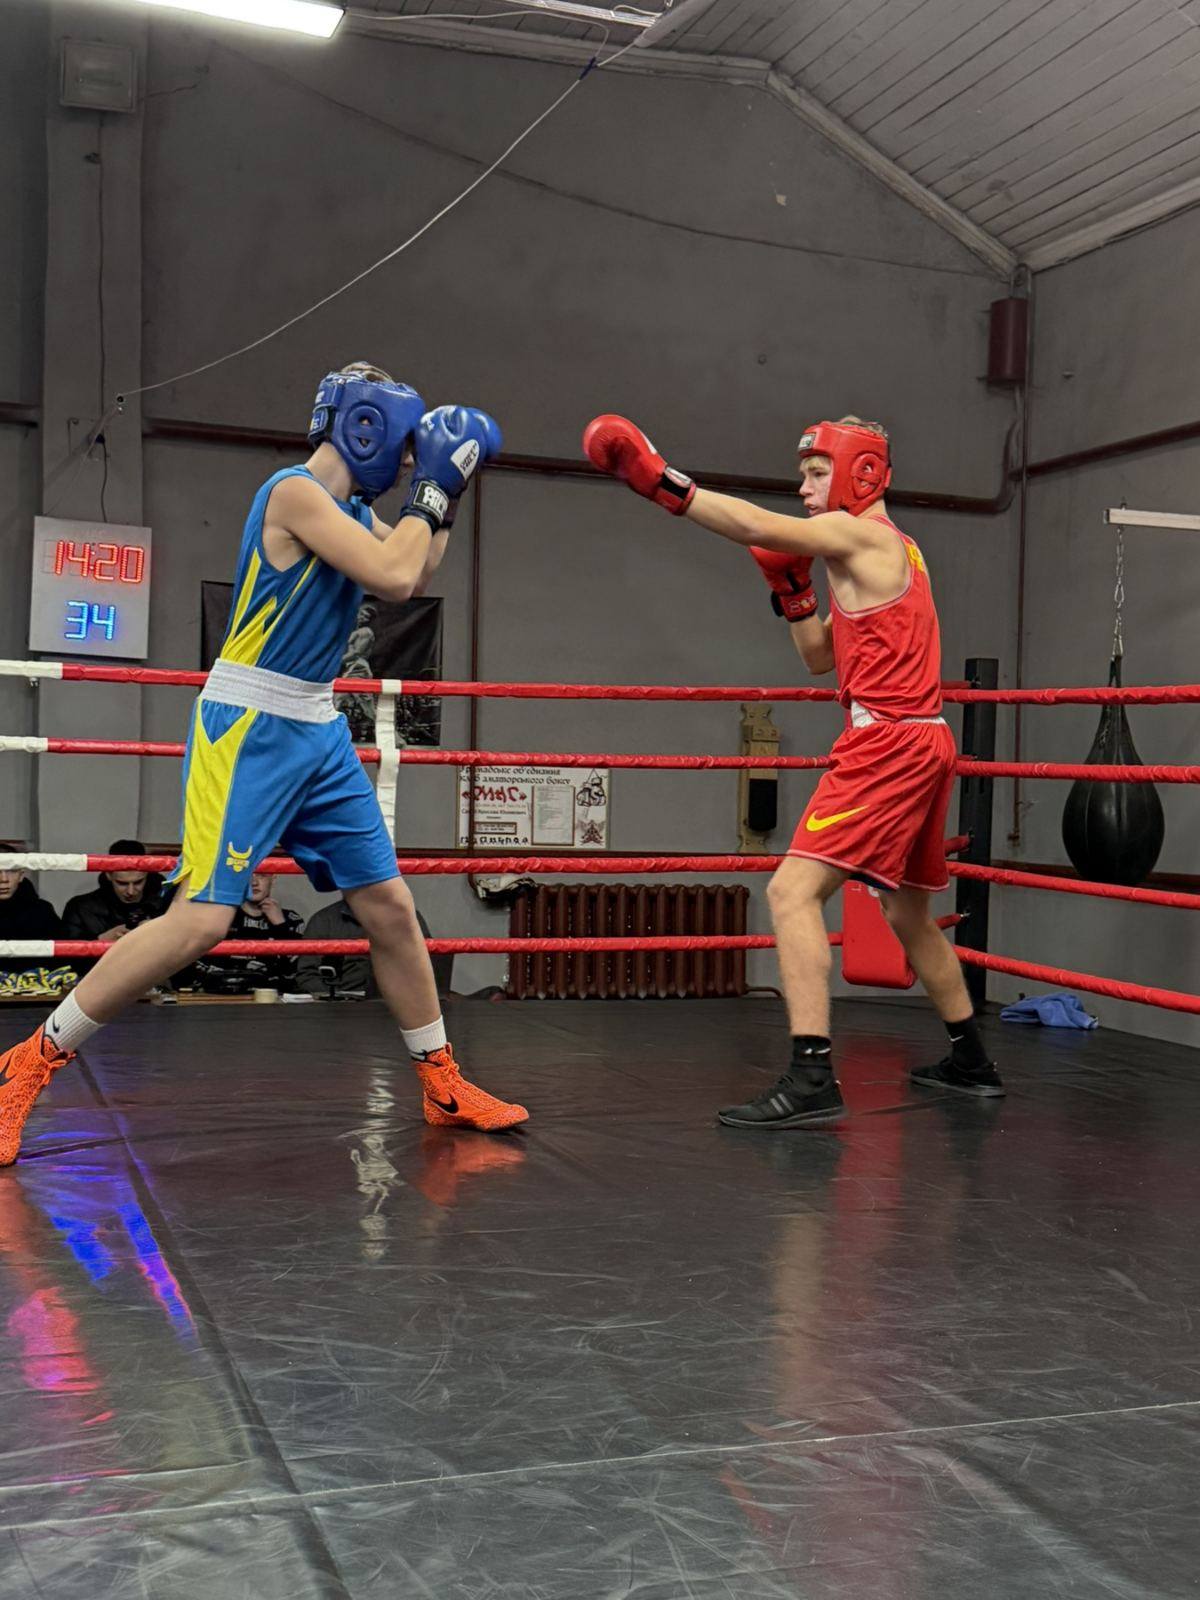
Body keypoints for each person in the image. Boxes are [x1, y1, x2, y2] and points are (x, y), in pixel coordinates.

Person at [0, 362, 527, 1165]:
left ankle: (442, 1081)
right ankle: (26, 1065)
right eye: (404, 448)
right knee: (201, 921)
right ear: (368, 429)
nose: (406, 466)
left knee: (389, 906)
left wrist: (445, 497)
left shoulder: (354, 512)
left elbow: (415, 570)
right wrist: (431, 490)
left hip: (316, 724)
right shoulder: (293, 494)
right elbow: (394, 575)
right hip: (247, 722)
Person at [583, 411, 1004, 1127]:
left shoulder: (864, 534)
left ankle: (811, 1077)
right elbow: (818, 657)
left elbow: (756, 525)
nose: (804, 489)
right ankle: (972, 1061)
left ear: (860, 474)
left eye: (815, 473)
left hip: (888, 744)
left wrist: (661, 482)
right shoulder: (882, 551)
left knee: (791, 893)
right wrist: (793, 593)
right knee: (907, 911)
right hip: (921, 739)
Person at [174, 870, 305, 994]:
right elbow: (192, 965)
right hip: (220, 995)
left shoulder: (291, 920)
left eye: (262, 875)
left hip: (270, 997)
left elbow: (295, 973)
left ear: (273, 878)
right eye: (247, 875)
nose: (254, 883)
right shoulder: (219, 916)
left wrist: (281, 927)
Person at [60, 841, 166, 969]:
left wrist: (159, 933)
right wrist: (100, 941)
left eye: (138, 882)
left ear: (147, 874)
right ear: (108, 875)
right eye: (122, 883)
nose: (131, 891)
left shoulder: (167, 903)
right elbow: (65, 964)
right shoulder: (80, 907)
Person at [0, 859, 74, 997]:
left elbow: (63, 961)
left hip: (37, 997)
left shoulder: (42, 911)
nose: (3, 879)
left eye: (11, 870)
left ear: (21, 875)